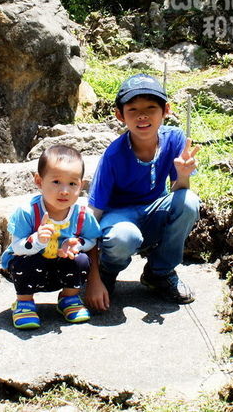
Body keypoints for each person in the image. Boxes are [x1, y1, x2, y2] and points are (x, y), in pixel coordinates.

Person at [84, 73, 200, 312]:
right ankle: (108, 271)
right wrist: (92, 276)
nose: (143, 115)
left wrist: (183, 174)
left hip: (153, 212)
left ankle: (159, 272)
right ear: (120, 115)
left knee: (189, 201)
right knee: (124, 236)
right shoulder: (113, 156)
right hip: (119, 220)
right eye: (133, 109)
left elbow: (179, 195)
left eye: (150, 107)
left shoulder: (175, 139)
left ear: (166, 110)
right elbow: (93, 214)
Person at [2, 144, 102, 330]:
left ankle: (69, 298)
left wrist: (77, 244)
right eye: (56, 182)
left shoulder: (81, 214)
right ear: (39, 181)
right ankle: (24, 303)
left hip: (62, 268)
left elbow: (92, 240)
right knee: (23, 260)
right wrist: (37, 240)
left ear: (81, 185)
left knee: (81, 260)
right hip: (33, 268)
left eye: (72, 183)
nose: (64, 191)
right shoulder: (27, 212)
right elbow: (16, 247)